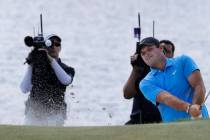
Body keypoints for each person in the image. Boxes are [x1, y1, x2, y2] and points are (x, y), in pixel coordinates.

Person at [139, 37, 209, 122]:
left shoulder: (183, 61)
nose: (146, 54)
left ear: (161, 48)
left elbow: (199, 86)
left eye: (150, 49)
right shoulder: (145, 83)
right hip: (174, 129)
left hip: (201, 122)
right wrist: (189, 108)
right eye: (143, 53)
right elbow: (166, 98)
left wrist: (196, 106)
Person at [20, 34, 75, 126]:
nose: (53, 46)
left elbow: (66, 80)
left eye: (57, 44)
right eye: (51, 44)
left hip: (55, 114)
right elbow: (24, 89)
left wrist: (50, 59)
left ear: (60, 48)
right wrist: (31, 64)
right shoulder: (36, 67)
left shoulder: (67, 69)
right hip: (34, 112)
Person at [123, 40, 175, 124]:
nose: (163, 53)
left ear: (172, 56)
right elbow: (127, 95)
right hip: (137, 121)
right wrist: (136, 69)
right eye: (161, 49)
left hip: (162, 121)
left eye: (167, 51)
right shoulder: (144, 71)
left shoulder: (175, 73)